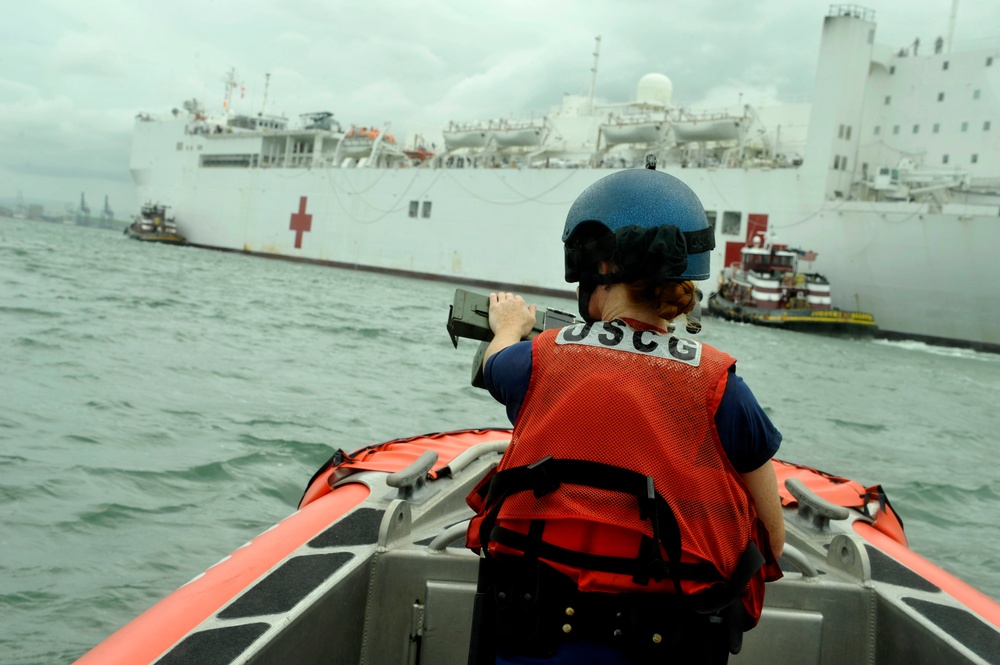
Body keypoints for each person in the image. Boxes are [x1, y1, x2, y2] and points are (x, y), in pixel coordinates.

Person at [465, 167, 785, 665]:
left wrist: (510, 324)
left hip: (530, 634)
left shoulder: (536, 360)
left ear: (596, 268)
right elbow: (772, 537)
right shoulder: (721, 385)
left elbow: (493, 363)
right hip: (666, 639)